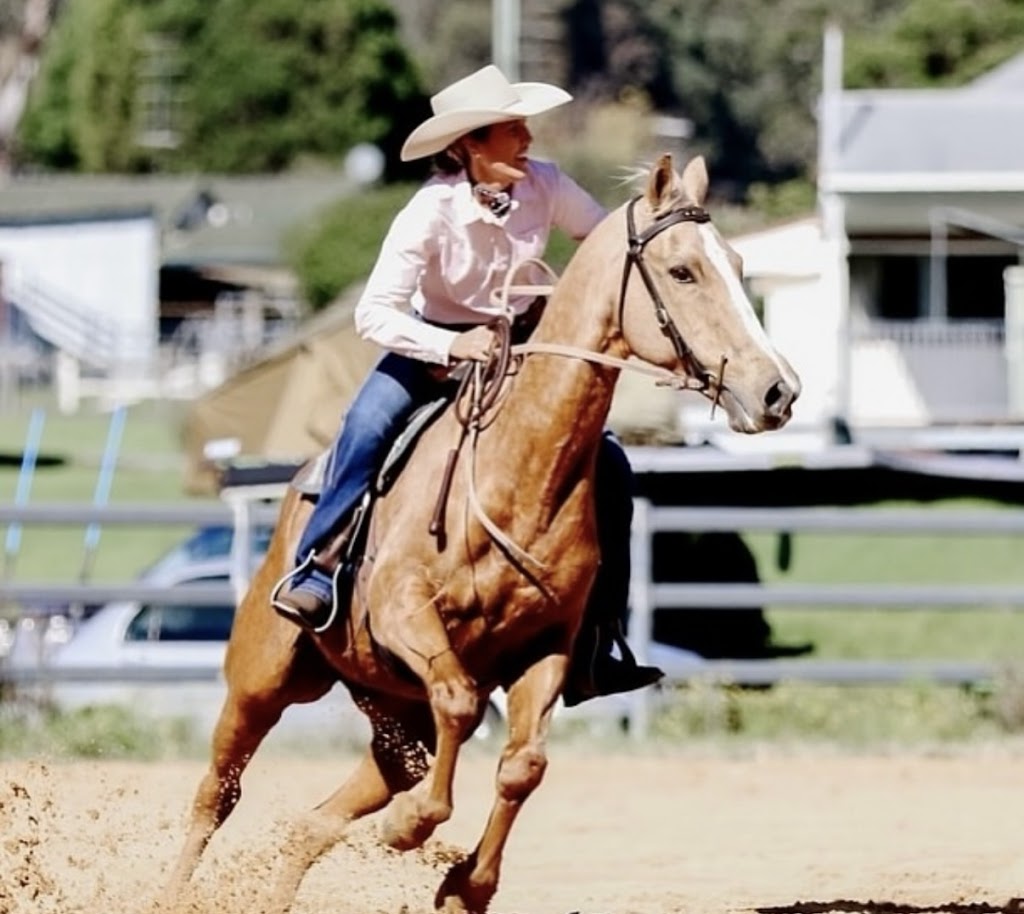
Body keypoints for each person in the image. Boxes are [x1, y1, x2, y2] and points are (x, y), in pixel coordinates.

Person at [272, 64, 663, 705]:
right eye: (512, 129)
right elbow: (375, 313)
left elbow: (602, 244)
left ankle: (599, 636)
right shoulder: (428, 213)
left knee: (610, 464)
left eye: (523, 125)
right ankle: (319, 567)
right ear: (470, 147)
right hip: (433, 354)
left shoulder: (549, 186)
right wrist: (454, 343)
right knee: (366, 428)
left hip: (522, 356)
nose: (527, 138)